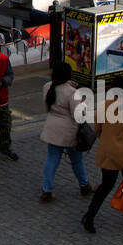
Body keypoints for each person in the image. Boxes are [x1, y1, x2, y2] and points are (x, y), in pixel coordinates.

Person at [81, 78, 123, 233]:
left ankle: (89, 216)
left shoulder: (103, 107)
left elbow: (97, 129)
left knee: (105, 186)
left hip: (107, 152)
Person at [39, 61, 92, 202]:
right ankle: (84, 185)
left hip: (52, 129)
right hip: (69, 132)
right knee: (77, 160)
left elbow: (47, 108)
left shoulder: (47, 87)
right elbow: (78, 115)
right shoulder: (72, 93)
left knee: (52, 160)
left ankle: (46, 190)